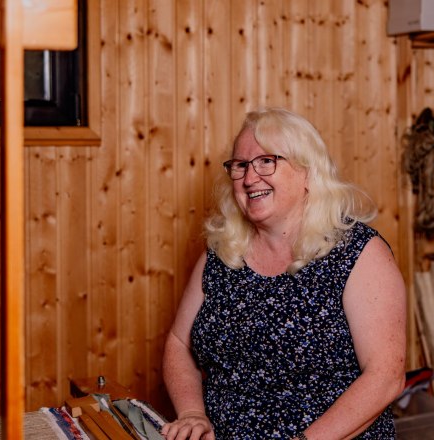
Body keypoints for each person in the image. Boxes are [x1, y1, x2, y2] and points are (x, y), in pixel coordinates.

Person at [161, 107, 407, 440]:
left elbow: (386, 376)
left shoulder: (360, 253)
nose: (249, 178)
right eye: (240, 165)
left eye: (267, 162)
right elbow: (179, 343)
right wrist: (192, 412)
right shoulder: (223, 252)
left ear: (308, 173)